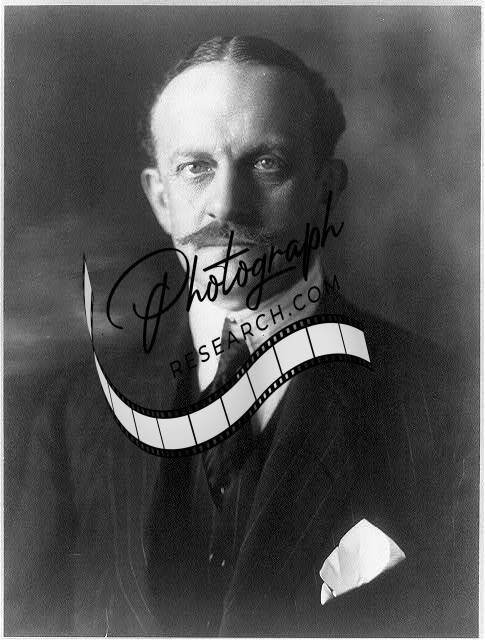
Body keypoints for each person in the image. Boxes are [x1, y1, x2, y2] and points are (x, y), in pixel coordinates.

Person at [5, 35, 478, 636]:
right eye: (195, 168)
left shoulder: (448, 407)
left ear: (327, 188)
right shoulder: (77, 414)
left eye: (266, 164)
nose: (226, 206)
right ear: (161, 198)